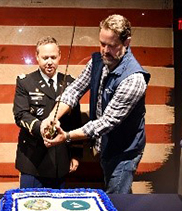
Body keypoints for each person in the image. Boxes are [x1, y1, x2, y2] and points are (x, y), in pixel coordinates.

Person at [41, 14, 151, 194]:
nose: (105, 50)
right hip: (105, 145)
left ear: (126, 42)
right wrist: (52, 117)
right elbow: (75, 89)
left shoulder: (134, 79)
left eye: (112, 45)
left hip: (124, 151)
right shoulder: (98, 61)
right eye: (102, 43)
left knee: (115, 199)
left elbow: (106, 122)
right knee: (117, 194)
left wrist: (66, 136)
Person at [13, 36, 82, 189]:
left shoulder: (71, 83)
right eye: (45, 57)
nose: (49, 62)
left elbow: (76, 122)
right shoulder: (25, 82)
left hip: (60, 159)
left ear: (59, 57)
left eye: (53, 57)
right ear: (37, 57)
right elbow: (20, 114)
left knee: (57, 210)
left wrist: (76, 155)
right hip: (32, 160)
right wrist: (41, 127)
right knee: (29, 209)